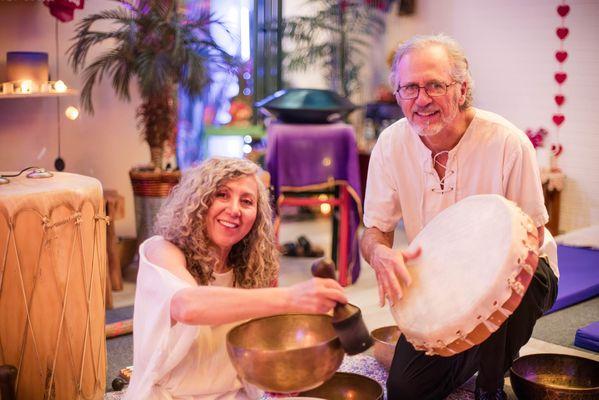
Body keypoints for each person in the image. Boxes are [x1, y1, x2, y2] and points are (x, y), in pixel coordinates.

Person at [360, 34, 559, 400]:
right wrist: (379, 254)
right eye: (410, 88)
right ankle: (475, 353)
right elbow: (374, 230)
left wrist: (477, 289)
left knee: (517, 280)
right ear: (398, 94)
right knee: (406, 390)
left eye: (435, 85)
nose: (422, 99)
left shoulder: (507, 142)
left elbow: (533, 234)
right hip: (441, 281)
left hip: (522, 273)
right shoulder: (390, 145)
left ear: (462, 88)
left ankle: (490, 380)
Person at [125, 157, 347, 400]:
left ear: (257, 217)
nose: (234, 210)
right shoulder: (161, 251)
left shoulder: (249, 268)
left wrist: (277, 375)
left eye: (247, 201)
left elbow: (255, 344)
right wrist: (291, 297)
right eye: (222, 194)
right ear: (197, 201)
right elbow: (186, 305)